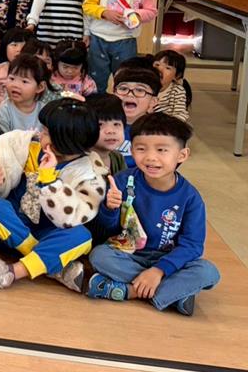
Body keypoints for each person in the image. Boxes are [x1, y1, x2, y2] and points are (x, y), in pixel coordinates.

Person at [87, 114, 219, 316]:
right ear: (131, 150)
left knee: (208, 272)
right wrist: (110, 209)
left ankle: (129, 291)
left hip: (169, 259)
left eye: (161, 150)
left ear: (182, 155)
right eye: (141, 149)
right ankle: (174, 294)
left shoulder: (190, 197)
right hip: (129, 254)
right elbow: (108, 230)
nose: (150, 157)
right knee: (99, 256)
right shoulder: (122, 181)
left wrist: (159, 270)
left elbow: (192, 245)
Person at [0, 98, 107, 291]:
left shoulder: (90, 173)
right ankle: (52, 266)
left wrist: (49, 179)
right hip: (12, 230)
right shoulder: (24, 144)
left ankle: (13, 271)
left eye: (47, 132)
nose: (40, 133)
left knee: (82, 236)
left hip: (49, 233)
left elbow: (71, 219)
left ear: (66, 140)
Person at [112, 67, 161, 166]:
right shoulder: (100, 124)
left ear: (153, 102)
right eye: (123, 89)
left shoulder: (158, 132)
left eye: (139, 90)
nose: (130, 94)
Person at [0, 54, 50, 134]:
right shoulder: (2, 112)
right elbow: (3, 140)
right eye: (12, 78)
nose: (15, 85)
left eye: (24, 81)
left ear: (40, 87)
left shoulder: (46, 112)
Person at [0, 28, 29, 108]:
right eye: (14, 45)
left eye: (24, 46)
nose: (19, 50)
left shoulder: (32, 70)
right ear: (5, 47)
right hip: (0, 107)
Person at [84, 93, 127, 176]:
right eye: (100, 125)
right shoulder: (81, 162)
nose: (111, 131)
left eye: (116, 124)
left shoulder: (117, 157)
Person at [154, 50, 190, 121]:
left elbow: (181, 114)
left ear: (177, 76)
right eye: (157, 65)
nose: (160, 69)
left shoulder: (177, 91)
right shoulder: (145, 87)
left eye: (168, 68)